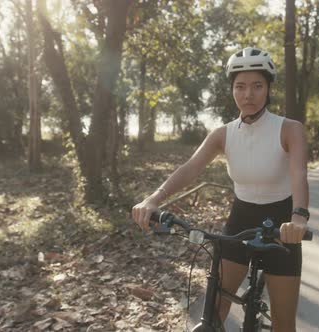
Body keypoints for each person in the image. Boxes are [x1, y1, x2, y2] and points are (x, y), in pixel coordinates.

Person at [131, 47, 309, 332]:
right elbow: (190, 168)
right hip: (241, 218)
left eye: (257, 86)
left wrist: (299, 218)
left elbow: (299, 174)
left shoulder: (289, 129)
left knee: (284, 324)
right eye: (240, 86)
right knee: (213, 311)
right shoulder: (223, 134)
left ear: (268, 88)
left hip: (282, 223)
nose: (248, 94)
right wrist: (153, 199)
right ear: (232, 89)